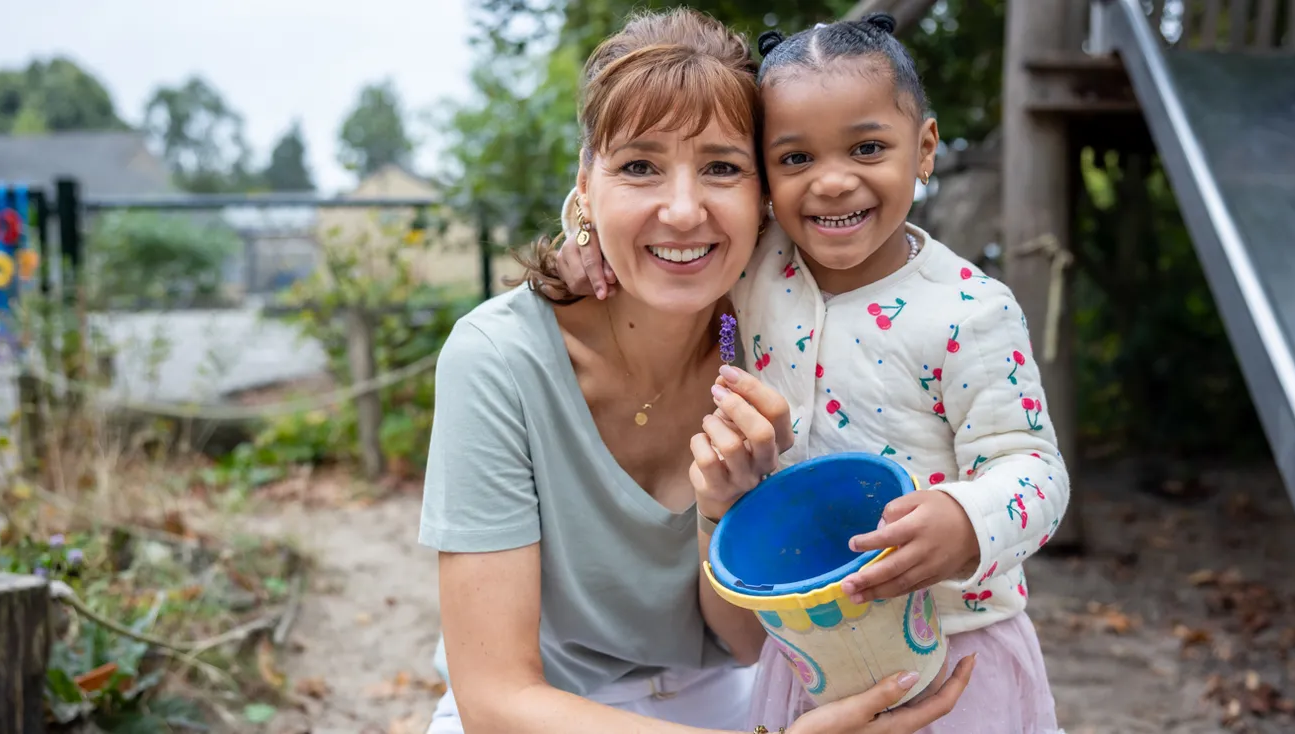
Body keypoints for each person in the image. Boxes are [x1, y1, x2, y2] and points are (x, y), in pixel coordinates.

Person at [419, 8, 975, 734]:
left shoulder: (774, 347)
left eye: (721, 167)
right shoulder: (498, 359)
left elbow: (741, 638)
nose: (683, 211)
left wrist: (723, 509)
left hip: (730, 702)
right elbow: (496, 700)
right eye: (640, 166)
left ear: (764, 196)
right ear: (586, 186)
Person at [553, 13, 1066, 734]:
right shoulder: (757, 265)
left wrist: (968, 519)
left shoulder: (969, 311)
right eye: (795, 160)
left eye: (866, 147)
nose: (831, 182)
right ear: (764, 177)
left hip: (954, 650)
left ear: (923, 149)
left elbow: (1036, 468)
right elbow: (654, 218)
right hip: (801, 652)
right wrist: (579, 239)